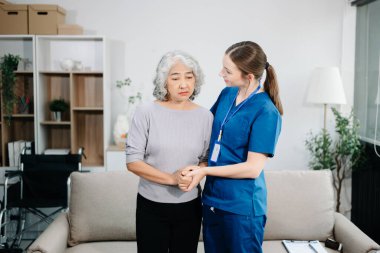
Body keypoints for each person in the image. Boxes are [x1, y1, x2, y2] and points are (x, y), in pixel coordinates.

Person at [180, 41, 283, 253]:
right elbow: (207, 132)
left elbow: (253, 168)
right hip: (212, 200)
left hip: (241, 207)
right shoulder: (227, 94)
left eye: (227, 70)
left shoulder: (266, 111)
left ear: (249, 76)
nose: (221, 74)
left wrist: (204, 170)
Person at [125, 50, 213, 253]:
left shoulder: (205, 116)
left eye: (189, 77)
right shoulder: (145, 112)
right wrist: (172, 179)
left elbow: (207, 160)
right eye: (175, 78)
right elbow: (133, 161)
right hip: (151, 206)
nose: (184, 84)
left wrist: (195, 173)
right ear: (163, 81)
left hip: (190, 206)